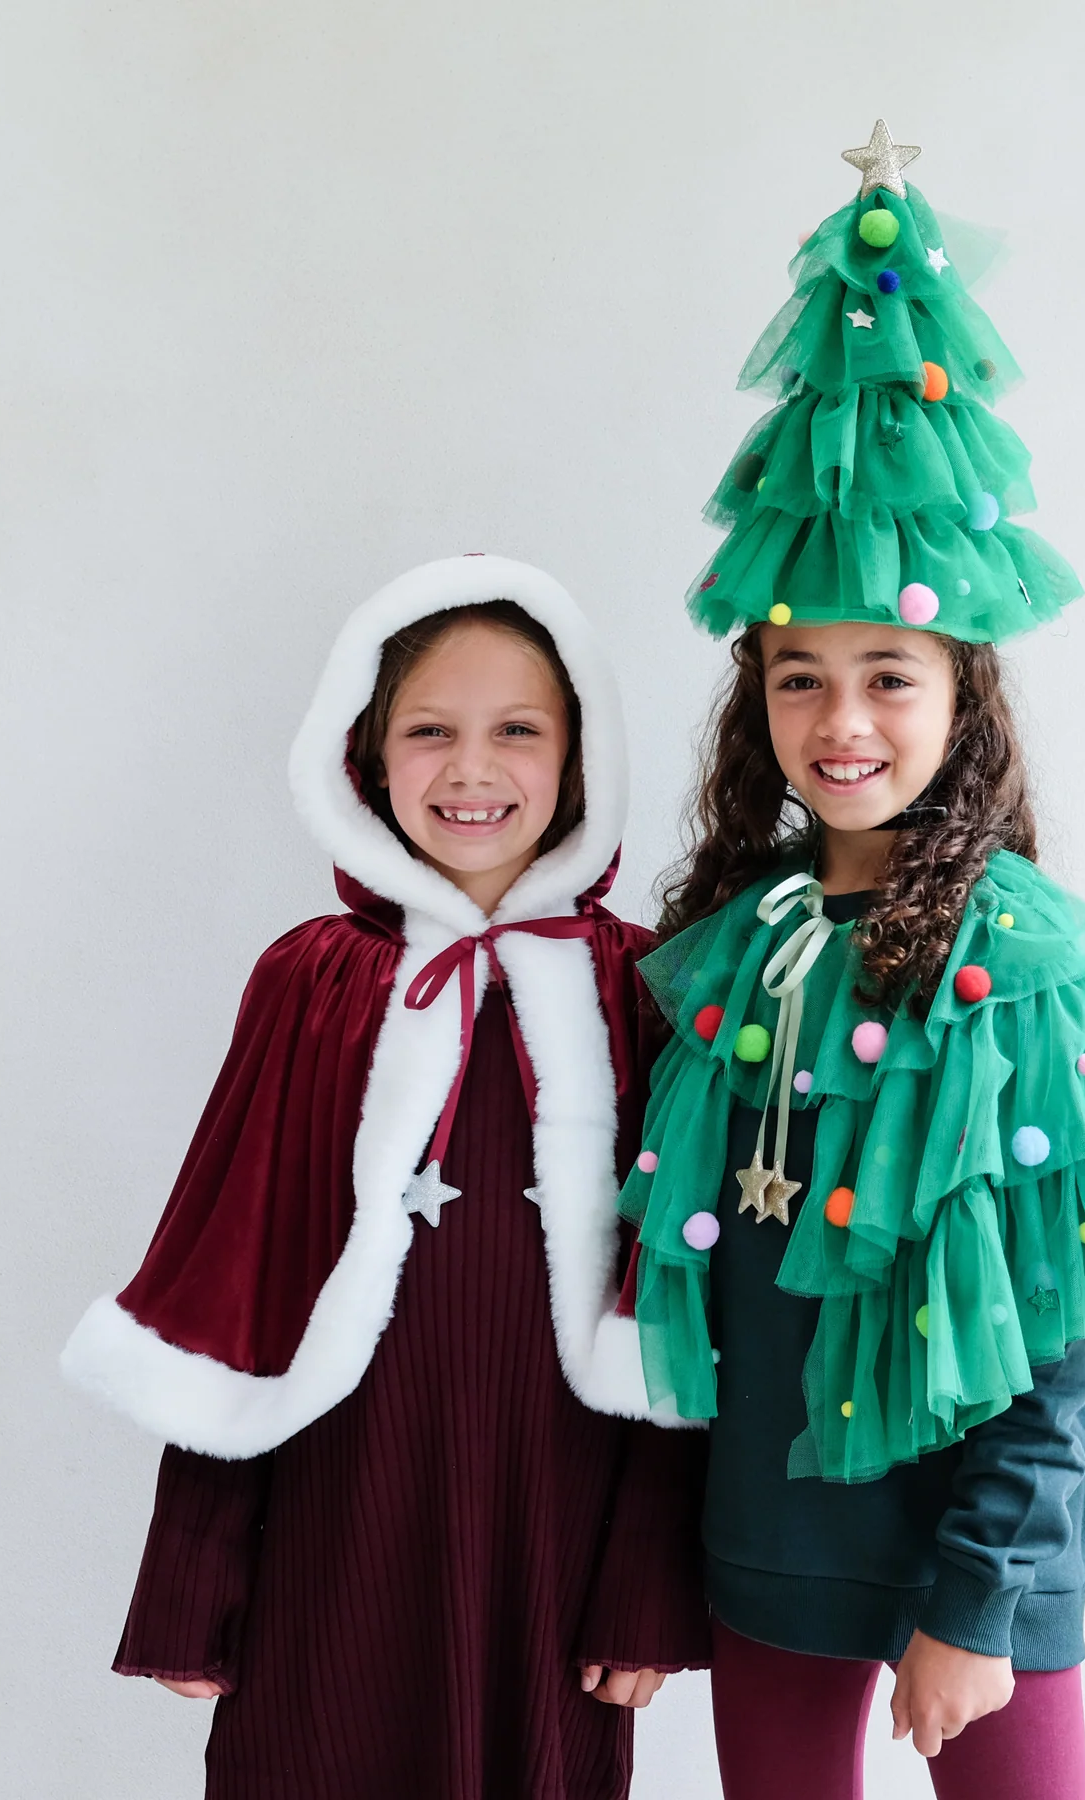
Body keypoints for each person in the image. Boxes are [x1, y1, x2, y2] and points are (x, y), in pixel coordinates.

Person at [617, 129, 1085, 1799]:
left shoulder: (1019, 966)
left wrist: (978, 1598)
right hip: (766, 1548)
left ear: (963, 699)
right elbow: (681, 1298)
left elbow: (1054, 1341)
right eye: (800, 679)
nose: (843, 721)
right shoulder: (733, 952)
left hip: (974, 1574)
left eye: (889, 675)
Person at [62, 555, 709, 1800]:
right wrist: (193, 1572)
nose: (472, 769)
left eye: (517, 731)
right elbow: (237, 1279)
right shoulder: (313, 980)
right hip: (333, 1514)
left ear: (582, 760)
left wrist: (650, 1578)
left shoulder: (647, 991)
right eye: (430, 731)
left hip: (556, 1529)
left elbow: (675, 1299)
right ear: (363, 756)